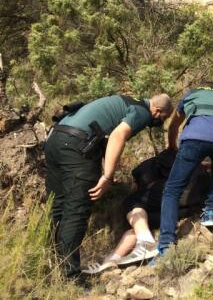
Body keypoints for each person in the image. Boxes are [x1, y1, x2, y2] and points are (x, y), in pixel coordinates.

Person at [44, 93, 173, 277]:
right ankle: (70, 276)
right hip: (76, 146)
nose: (161, 121)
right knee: (76, 210)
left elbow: (104, 138)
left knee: (58, 205)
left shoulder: (125, 100)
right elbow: (117, 135)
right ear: (157, 110)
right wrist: (107, 176)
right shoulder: (143, 112)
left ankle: (53, 264)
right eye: (164, 118)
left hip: (55, 139)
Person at [82, 150, 209, 274]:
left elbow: (148, 182)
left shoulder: (151, 166)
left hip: (185, 186)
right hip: (195, 203)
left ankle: (146, 243)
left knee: (131, 201)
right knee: (140, 224)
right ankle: (111, 260)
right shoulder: (145, 209)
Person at [157, 82, 213, 256]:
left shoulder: (191, 94)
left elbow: (174, 125)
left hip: (195, 139)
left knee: (172, 189)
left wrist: (172, 146)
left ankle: (166, 242)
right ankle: (211, 211)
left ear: (202, 87)